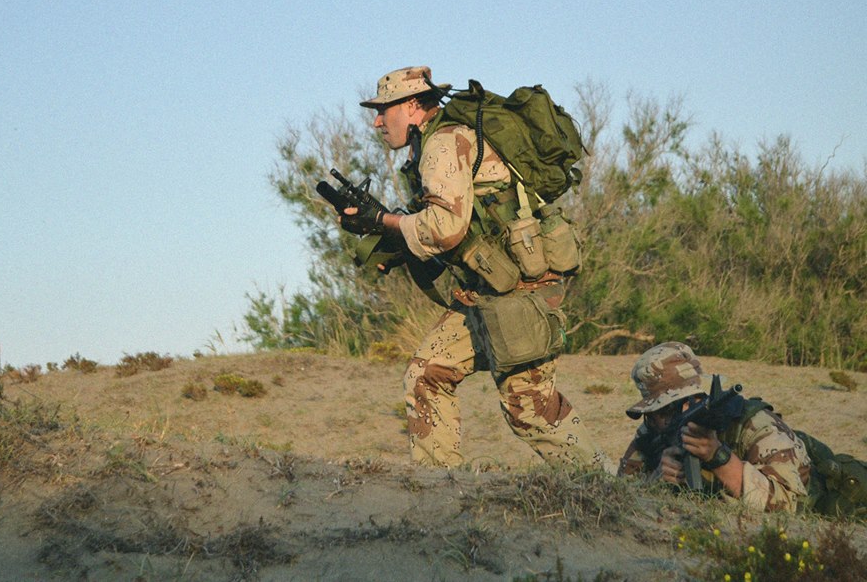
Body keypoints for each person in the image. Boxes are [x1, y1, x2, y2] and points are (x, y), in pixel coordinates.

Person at [335, 65, 610, 471]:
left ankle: (604, 489)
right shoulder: (435, 142)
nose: (377, 120)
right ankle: (440, 493)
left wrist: (382, 222)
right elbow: (449, 226)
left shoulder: (444, 143)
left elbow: (445, 229)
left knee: (529, 408)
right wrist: (383, 230)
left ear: (412, 105)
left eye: (384, 109)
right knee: (426, 375)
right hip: (488, 293)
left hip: (521, 295)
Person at [617, 341, 812, 512]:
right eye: (654, 413)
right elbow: (617, 493)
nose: (656, 420)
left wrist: (719, 457)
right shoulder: (656, 429)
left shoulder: (758, 426)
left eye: (662, 411)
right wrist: (655, 480)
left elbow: (788, 505)